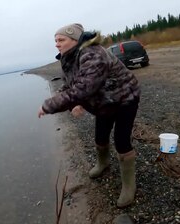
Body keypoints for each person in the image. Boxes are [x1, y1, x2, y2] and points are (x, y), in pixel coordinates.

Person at [38, 23, 141, 208]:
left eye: (61, 40)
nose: (57, 44)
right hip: (104, 101)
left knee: (121, 140)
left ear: (75, 40)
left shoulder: (92, 54)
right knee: (100, 136)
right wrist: (72, 104)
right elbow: (70, 85)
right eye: (55, 40)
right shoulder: (69, 58)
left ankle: (129, 186)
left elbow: (85, 87)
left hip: (125, 97)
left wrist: (49, 106)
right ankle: (103, 164)